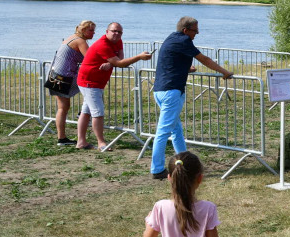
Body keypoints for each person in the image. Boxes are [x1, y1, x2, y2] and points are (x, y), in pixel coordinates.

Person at [151, 17, 234, 180]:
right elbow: (205, 59)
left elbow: (171, 61)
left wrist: (185, 68)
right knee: (163, 132)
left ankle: (185, 161)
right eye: (195, 30)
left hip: (160, 90)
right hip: (171, 91)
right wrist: (224, 72)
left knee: (176, 130)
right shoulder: (184, 40)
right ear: (185, 30)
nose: (197, 33)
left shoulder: (171, 38)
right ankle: (157, 169)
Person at [75, 22, 153, 151]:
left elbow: (119, 57)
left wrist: (111, 64)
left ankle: (81, 142)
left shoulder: (117, 41)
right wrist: (139, 57)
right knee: (98, 112)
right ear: (107, 31)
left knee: (86, 111)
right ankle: (101, 143)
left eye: (119, 32)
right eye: (114, 31)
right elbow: (120, 63)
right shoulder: (102, 44)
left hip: (97, 82)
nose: (117, 34)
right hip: (89, 81)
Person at [48, 20, 95, 145]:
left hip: (55, 75)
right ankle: (84, 114)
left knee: (62, 108)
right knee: (94, 88)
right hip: (64, 77)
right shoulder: (80, 41)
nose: (94, 33)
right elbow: (91, 59)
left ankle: (61, 138)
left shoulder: (72, 38)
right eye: (91, 30)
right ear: (83, 31)